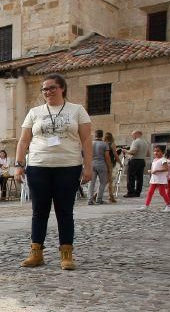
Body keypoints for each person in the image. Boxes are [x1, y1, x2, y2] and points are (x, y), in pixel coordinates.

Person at [14, 73, 92, 271]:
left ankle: (66, 253)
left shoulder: (77, 110)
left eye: (52, 88)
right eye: (44, 89)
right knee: (39, 211)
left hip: (68, 165)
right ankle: (36, 251)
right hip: (39, 165)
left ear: (62, 88)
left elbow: (86, 140)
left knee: (64, 211)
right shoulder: (35, 112)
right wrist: (19, 164)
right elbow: (24, 140)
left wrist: (88, 166)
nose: (48, 92)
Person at [140, 145, 170, 212]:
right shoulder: (154, 160)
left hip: (160, 179)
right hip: (154, 179)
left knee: (162, 192)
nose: (155, 152)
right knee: (150, 192)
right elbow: (153, 169)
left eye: (158, 151)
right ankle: (146, 205)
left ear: (162, 152)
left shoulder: (163, 160)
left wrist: (157, 171)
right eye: (154, 151)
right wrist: (151, 171)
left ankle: (169, 205)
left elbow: (166, 168)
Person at [87, 129, 112, 205]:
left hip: (92, 164)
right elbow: (107, 157)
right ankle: (99, 199)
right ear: (102, 135)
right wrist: (109, 166)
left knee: (91, 183)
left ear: (95, 135)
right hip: (101, 164)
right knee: (103, 182)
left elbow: (87, 155)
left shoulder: (90, 143)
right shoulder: (105, 144)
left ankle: (90, 200)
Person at [122, 130, 149, 198]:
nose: (132, 136)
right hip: (142, 160)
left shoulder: (136, 141)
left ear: (137, 134)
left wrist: (125, 151)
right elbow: (147, 153)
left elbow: (133, 152)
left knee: (131, 177)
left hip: (134, 161)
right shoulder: (145, 142)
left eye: (133, 135)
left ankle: (131, 192)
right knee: (139, 178)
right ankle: (137, 192)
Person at [104, 131, 118, 203]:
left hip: (103, 163)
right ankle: (111, 196)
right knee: (109, 181)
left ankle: (110, 196)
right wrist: (120, 162)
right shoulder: (112, 144)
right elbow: (115, 155)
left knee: (107, 180)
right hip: (110, 163)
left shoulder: (103, 144)